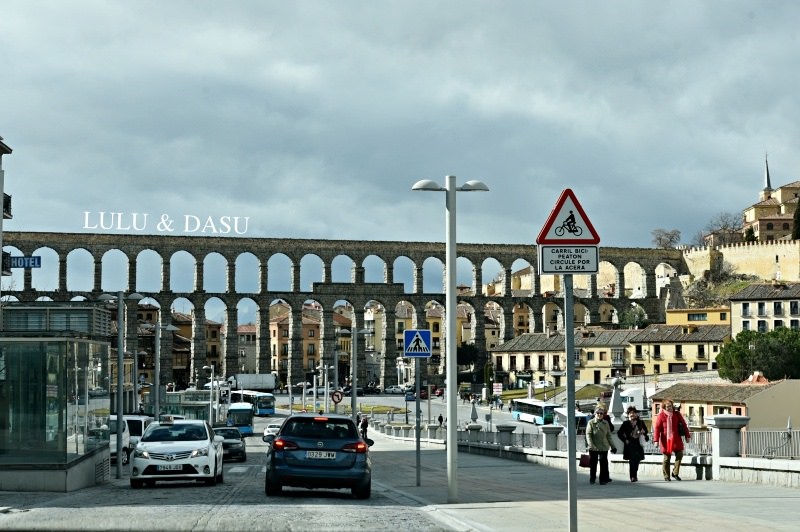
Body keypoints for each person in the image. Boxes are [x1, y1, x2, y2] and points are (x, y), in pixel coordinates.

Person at [653, 398, 691, 481]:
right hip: (666, 440)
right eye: (667, 407)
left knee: (680, 455)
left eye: (670, 406)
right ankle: (666, 476)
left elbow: (684, 425)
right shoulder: (661, 415)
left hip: (676, 439)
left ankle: (675, 473)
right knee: (667, 458)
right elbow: (657, 428)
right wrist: (656, 440)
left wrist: (687, 436)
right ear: (664, 407)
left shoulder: (676, 414)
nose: (669, 408)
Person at [585, 405, 616, 485]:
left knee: (603, 463)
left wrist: (613, 446)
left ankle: (602, 479)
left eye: (601, 413)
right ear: (595, 414)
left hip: (603, 446)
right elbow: (588, 435)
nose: (599, 414)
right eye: (598, 413)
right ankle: (592, 478)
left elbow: (609, 435)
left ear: (603, 415)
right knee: (593, 463)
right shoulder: (591, 422)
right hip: (594, 447)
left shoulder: (606, 423)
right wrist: (591, 445)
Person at [617, 405, 649, 482]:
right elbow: (619, 433)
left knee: (637, 460)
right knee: (632, 461)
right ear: (628, 415)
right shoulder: (626, 423)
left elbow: (646, 431)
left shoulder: (640, 422)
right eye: (630, 413)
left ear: (636, 414)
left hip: (638, 444)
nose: (632, 414)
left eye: (633, 413)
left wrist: (643, 432)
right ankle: (632, 476)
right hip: (630, 444)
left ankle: (635, 474)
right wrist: (625, 440)